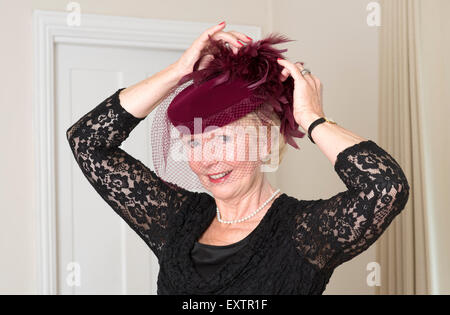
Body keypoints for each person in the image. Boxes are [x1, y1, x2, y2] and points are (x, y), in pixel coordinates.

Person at [66, 21, 410, 294]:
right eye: (194, 143)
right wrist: (180, 70)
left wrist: (311, 118)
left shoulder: (304, 232)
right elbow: (87, 140)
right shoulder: (175, 221)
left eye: (223, 138)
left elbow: (385, 188)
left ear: (265, 141)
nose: (206, 159)